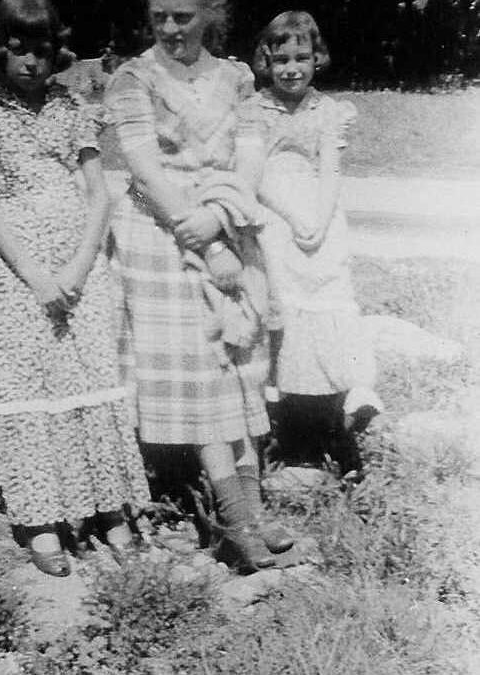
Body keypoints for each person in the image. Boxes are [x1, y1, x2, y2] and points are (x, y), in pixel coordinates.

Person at [0, 0, 151, 578]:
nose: (32, 62)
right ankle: (42, 520)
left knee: (92, 376)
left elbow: (99, 195)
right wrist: (39, 278)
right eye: (19, 49)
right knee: (34, 383)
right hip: (20, 271)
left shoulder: (70, 108)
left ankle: (110, 509)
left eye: (41, 50)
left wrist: (79, 267)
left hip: (80, 264)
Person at [105, 0, 293, 573]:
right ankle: (233, 520)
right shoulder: (132, 79)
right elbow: (144, 168)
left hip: (227, 219)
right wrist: (205, 242)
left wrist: (221, 217)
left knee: (239, 368)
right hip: (163, 233)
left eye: (183, 16)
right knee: (202, 372)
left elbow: (252, 155)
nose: (169, 28)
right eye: (159, 15)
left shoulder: (236, 77)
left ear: (209, 14)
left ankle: (254, 512)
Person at [237, 11, 382, 477]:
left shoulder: (329, 110)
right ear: (266, 62)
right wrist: (296, 217)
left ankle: (346, 405)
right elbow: (254, 175)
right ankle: (289, 429)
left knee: (332, 305)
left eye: (302, 57)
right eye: (281, 60)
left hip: (322, 220)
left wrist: (319, 221)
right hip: (277, 219)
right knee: (287, 315)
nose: (291, 68)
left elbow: (330, 170)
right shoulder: (255, 110)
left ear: (317, 58)